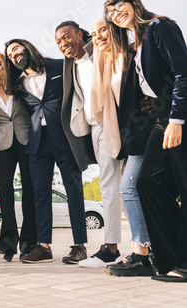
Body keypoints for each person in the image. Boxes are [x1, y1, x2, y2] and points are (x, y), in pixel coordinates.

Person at [105, 0, 187, 282]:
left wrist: (177, 120)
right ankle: (172, 257)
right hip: (162, 117)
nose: (116, 13)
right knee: (147, 183)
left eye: (119, 5)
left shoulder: (159, 26)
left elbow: (183, 72)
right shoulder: (139, 42)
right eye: (111, 12)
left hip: (178, 118)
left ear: (134, 3)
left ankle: (184, 265)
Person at [4, 39, 88, 264]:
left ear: (27, 48)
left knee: (74, 190)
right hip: (37, 144)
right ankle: (44, 246)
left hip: (64, 138)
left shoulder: (60, 66)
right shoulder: (18, 84)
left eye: (15, 49)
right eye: (10, 56)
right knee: (40, 194)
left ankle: (79, 246)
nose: (14, 56)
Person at [90, 19, 156, 276]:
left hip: (150, 132)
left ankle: (143, 253)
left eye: (103, 30)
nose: (98, 36)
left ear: (116, 29)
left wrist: (157, 103)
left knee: (128, 187)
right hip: (132, 138)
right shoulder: (107, 64)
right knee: (139, 190)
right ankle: (147, 250)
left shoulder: (134, 54)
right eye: (94, 34)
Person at [55, 21, 123, 268]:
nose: (63, 43)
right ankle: (136, 244)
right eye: (58, 41)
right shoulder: (70, 65)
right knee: (121, 188)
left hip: (113, 122)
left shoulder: (101, 51)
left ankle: (112, 248)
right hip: (94, 127)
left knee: (113, 186)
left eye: (66, 37)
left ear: (80, 35)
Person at [0, 53, 37, 262]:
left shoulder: (22, 90)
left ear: (7, 68)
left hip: (26, 143)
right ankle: (7, 241)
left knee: (29, 192)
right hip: (2, 147)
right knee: (5, 190)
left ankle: (29, 243)